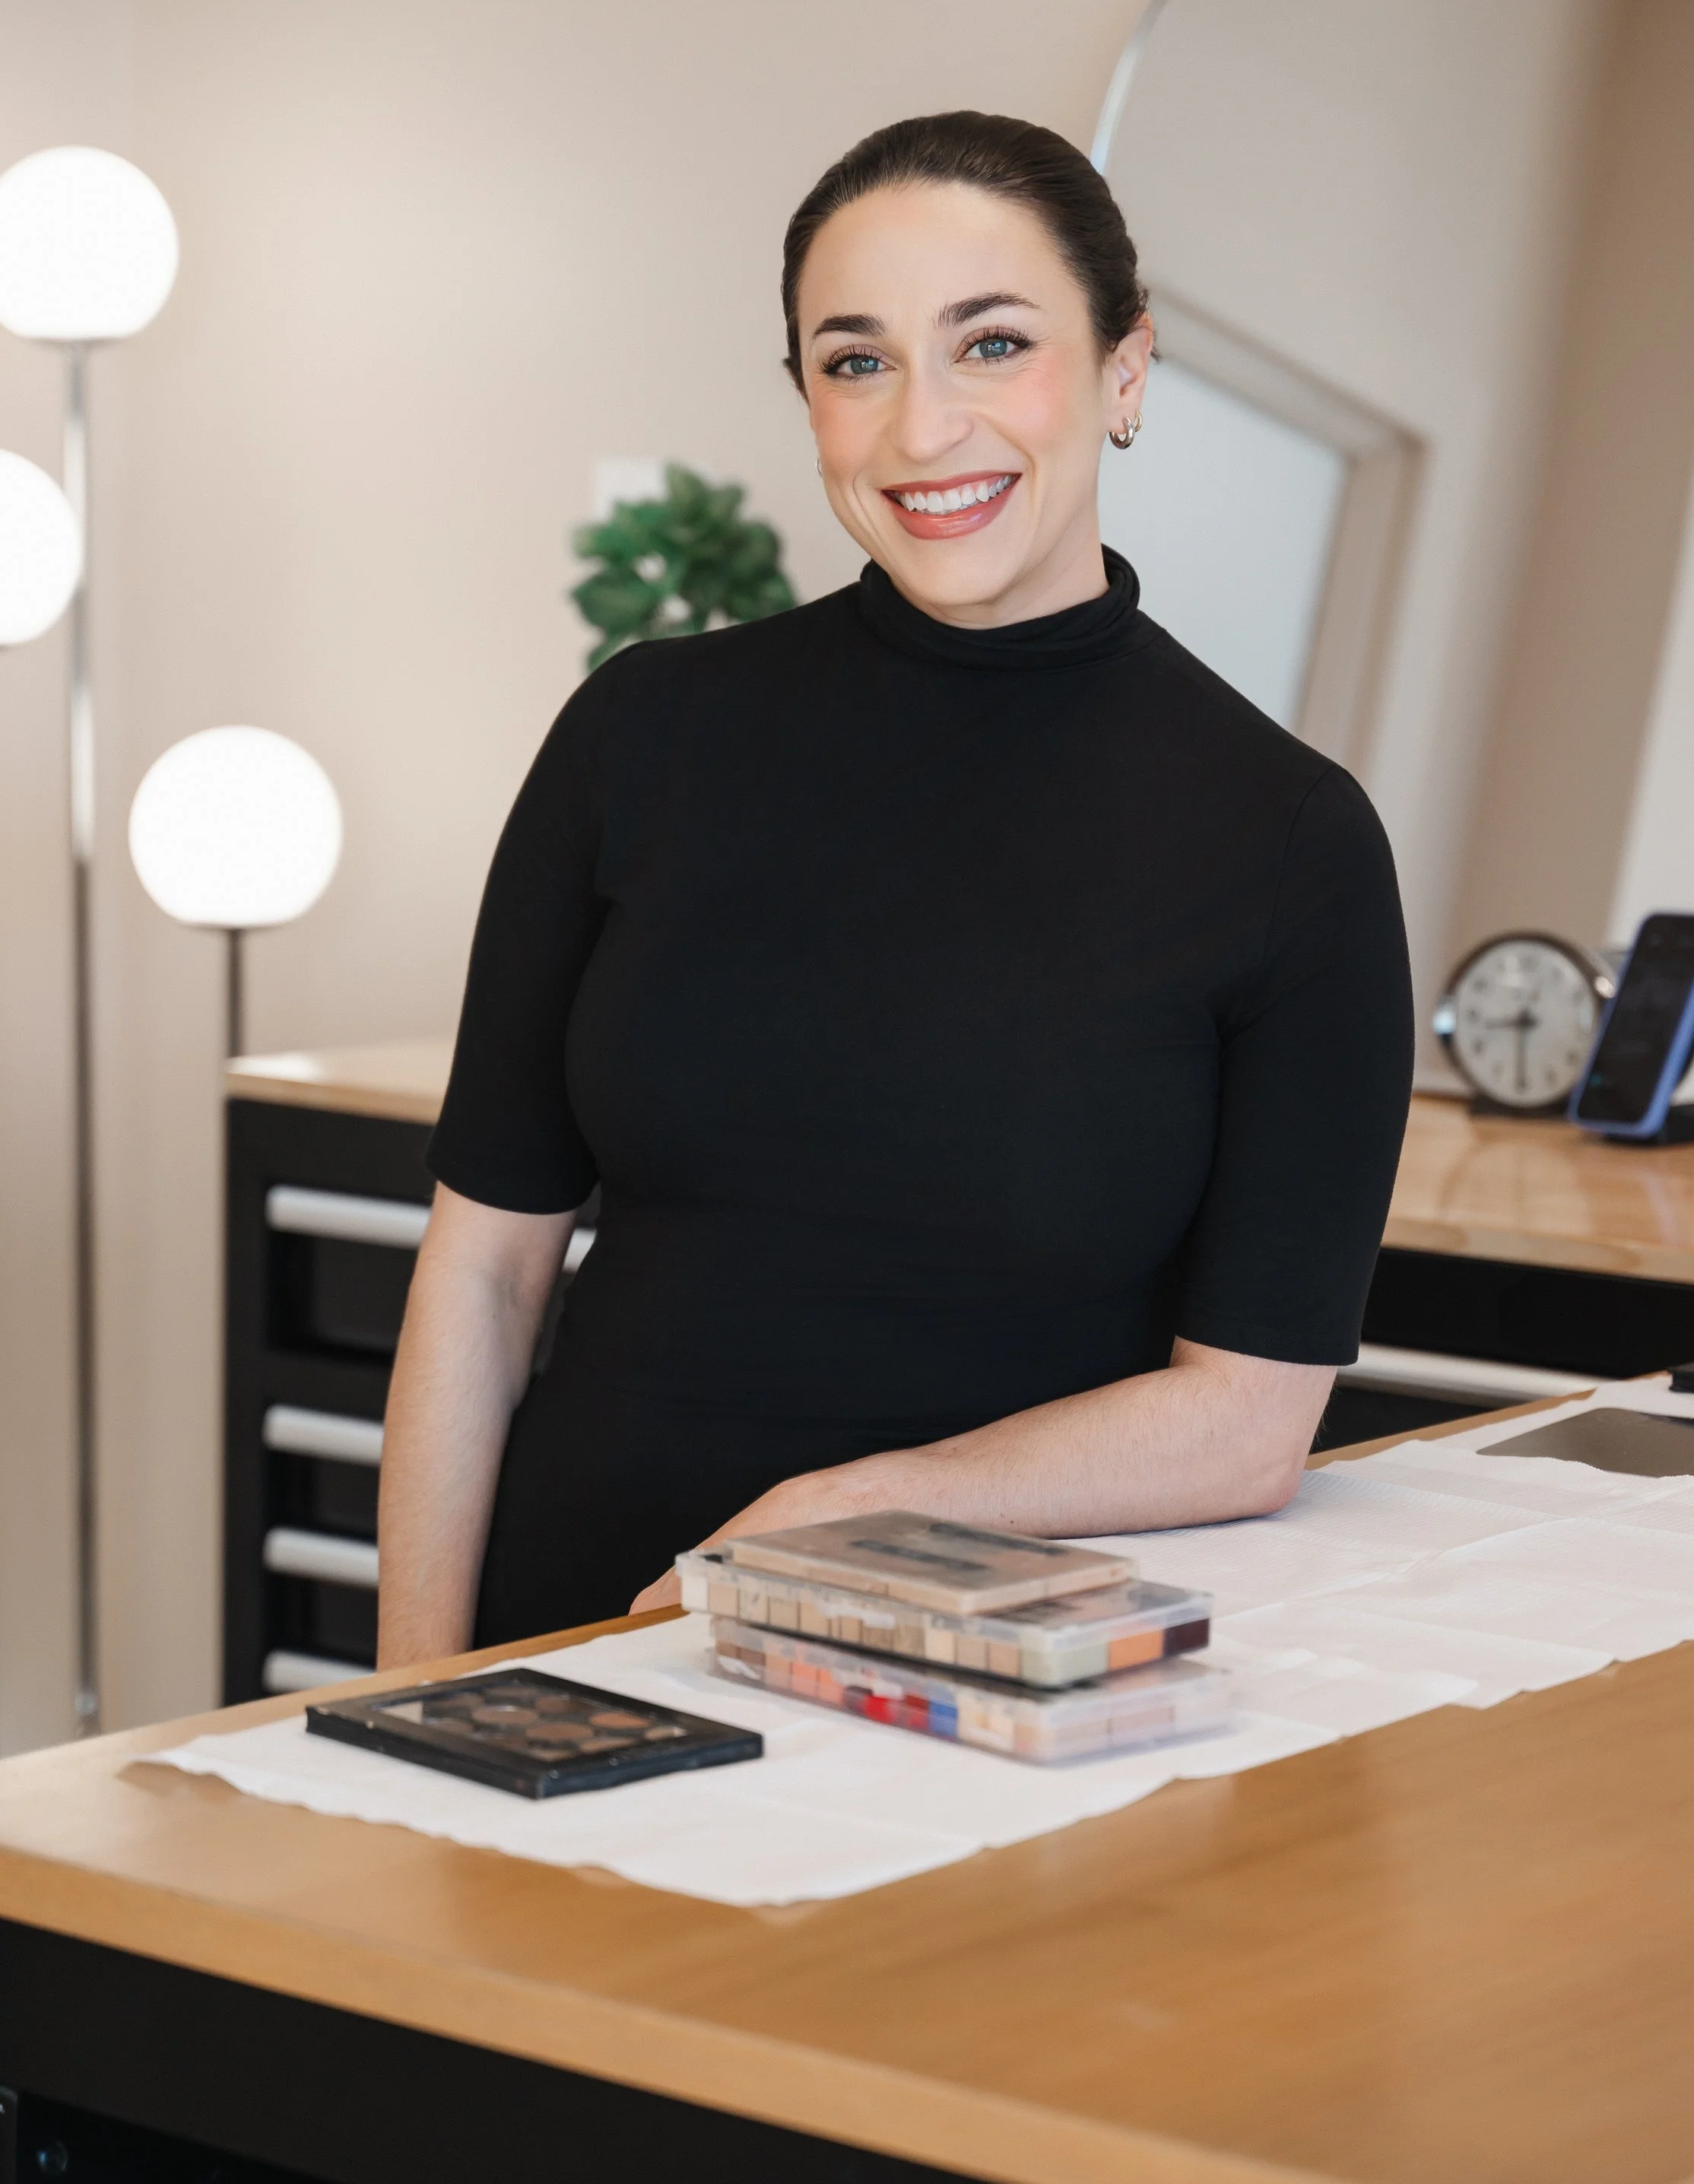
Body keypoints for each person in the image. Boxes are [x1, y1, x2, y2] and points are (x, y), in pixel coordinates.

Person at [377, 111, 1413, 1663]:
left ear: (1125, 370)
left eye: (991, 344)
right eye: (857, 361)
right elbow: (484, 1274)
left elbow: (1247, 1421)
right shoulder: (643, 733)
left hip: (973, 1686)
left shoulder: (1288, 838)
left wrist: (848, 1508)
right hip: (576, 1637)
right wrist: (414, 1695)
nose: (923, 429)